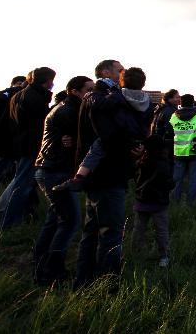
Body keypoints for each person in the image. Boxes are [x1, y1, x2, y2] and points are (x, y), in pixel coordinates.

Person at [73, 59, 135, 288]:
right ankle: (107, 285)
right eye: (119, 69)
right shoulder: (101, 98)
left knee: (92, 230)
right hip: (108, 173)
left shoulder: (100, 98)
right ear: (105, 72)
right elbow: (109, 137)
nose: (123, 72)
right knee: (110, 232)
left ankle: (84, 280)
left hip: (99, 174)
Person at [32, 75, 93, 284]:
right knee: (70, 221)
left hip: (49, 168)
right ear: (75, 91)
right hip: (55, 170)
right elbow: (85, 137)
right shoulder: (71, 111)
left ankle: (40, 265)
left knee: (55, 219)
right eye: (88, 89)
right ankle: (52, 271)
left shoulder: (64, 107)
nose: (91, 94)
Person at [55, 67, 153, 192]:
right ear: (143, 83)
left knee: (96, 148)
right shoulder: (147, 100)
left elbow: (101, 104)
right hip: (137, 137)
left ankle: (79, 177)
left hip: (120, 135)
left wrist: (93, 94)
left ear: (122, 81)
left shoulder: (118, 96)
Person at [0, 67, 55, 229]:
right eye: (51, 80)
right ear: (47, 80)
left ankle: (27, 214)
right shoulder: (35, 97)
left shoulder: (19, 95)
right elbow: (40, 124)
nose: (52, 84)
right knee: (23, 183)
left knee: (24, 181)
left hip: (21, 143)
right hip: (31, 145)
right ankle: (9, 221)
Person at [132, 136, 174, 267]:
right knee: (161, 230)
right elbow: (168, 183)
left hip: (142, 201)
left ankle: (137, 254)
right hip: (159, 203)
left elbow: (135, 177)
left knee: (139, 229)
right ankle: (164, 256)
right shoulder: (163, 164)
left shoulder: (141, 162)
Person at [166, 93, 196, 204]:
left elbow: (169, 133)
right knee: (194, 179)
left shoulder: (174, 116)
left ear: (181, 103)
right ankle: (190, 203)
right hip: (195, 152)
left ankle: (174, 202)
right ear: (193, 102)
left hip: (179, 152)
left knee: (177, 179)